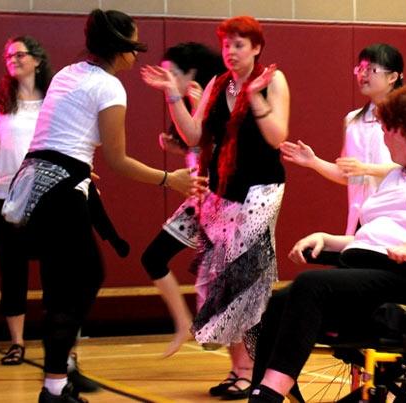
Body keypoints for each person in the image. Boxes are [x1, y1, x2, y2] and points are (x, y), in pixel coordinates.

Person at [248, 84, 406, 403]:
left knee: (310, 286)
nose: (383, 139)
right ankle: (260, 392)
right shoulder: (395, 175)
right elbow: (373, 238)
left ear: (405, 127)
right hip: (374, 270)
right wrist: (327, 239)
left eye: (385, 130)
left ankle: (271, 391)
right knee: (278, 302)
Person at [0, 9, 205, 403]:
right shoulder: (109, 87)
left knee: (67, 285)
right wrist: (170, 179)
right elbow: (118, 160)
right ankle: (55, 386)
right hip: (60, 193)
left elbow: (56, 138)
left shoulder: (67, 73)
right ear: (120, 48)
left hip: (35, 184)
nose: (135, 56)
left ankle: (60, 374)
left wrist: (77, 168)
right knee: (80, 281)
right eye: (133, 46)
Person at [142, 15, 290, 400]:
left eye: (239, 45)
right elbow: (194, 134)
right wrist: (173, 95)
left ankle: (253, 371)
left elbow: (277, 137)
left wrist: (254, 95)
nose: (231, 52)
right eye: (226, 45)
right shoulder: (217, 84)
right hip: (223, 190)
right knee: (219, 277)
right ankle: (238, 369)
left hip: (261, 190)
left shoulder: (273, 80)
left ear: (256, 48)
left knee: (244, 279)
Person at [0, 35, 53, 367]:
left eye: (19, 54)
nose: (13, 59)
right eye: (8, 56)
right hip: (5, 197)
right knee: (12, 270)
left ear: (37, 60)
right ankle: (17, 342)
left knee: (53, 270)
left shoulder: (53, 102)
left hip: (45, 196)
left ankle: (56, 340)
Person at [139, 42, 225, 358]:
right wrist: (180, 148)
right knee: (153, 257)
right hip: (199, 199)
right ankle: (183, 322)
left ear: (191, 74)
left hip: (221, 201)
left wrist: (192, 105)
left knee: (222, 275)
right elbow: (195, 144)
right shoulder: (186, 102)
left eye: (172, 73)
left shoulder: (216, 97)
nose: (167, 79)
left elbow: (216, 145)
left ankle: (241, 355)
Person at [280, 43, 403, 236]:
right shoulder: (353, 120)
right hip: (359, 219)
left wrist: (366, 169)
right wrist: (314, 162)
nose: (363, 74)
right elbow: (351, 176)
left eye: (371, 69)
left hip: (396, 218)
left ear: (392, 77)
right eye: (360, 69)